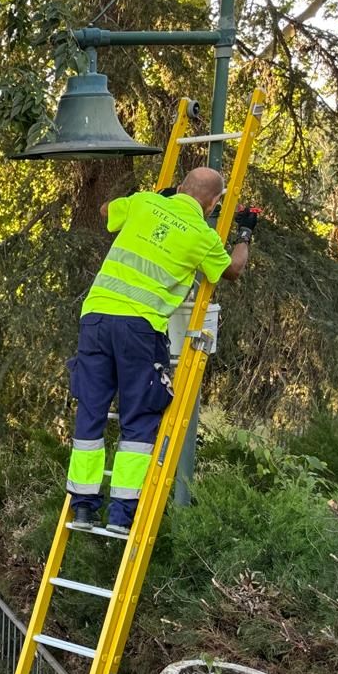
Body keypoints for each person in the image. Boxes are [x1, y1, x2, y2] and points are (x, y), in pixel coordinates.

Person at [66, 167, 256, 533]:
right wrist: (245, 234)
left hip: (96, 318)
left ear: (180, 186)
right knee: (138, 417)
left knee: (90, 411)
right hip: (140, 327)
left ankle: (84, 509)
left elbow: (105, 210)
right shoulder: (202, 234)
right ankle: (121, 515)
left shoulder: (143, 203)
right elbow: (232, 270)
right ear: (213, 204)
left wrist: (157, 198)